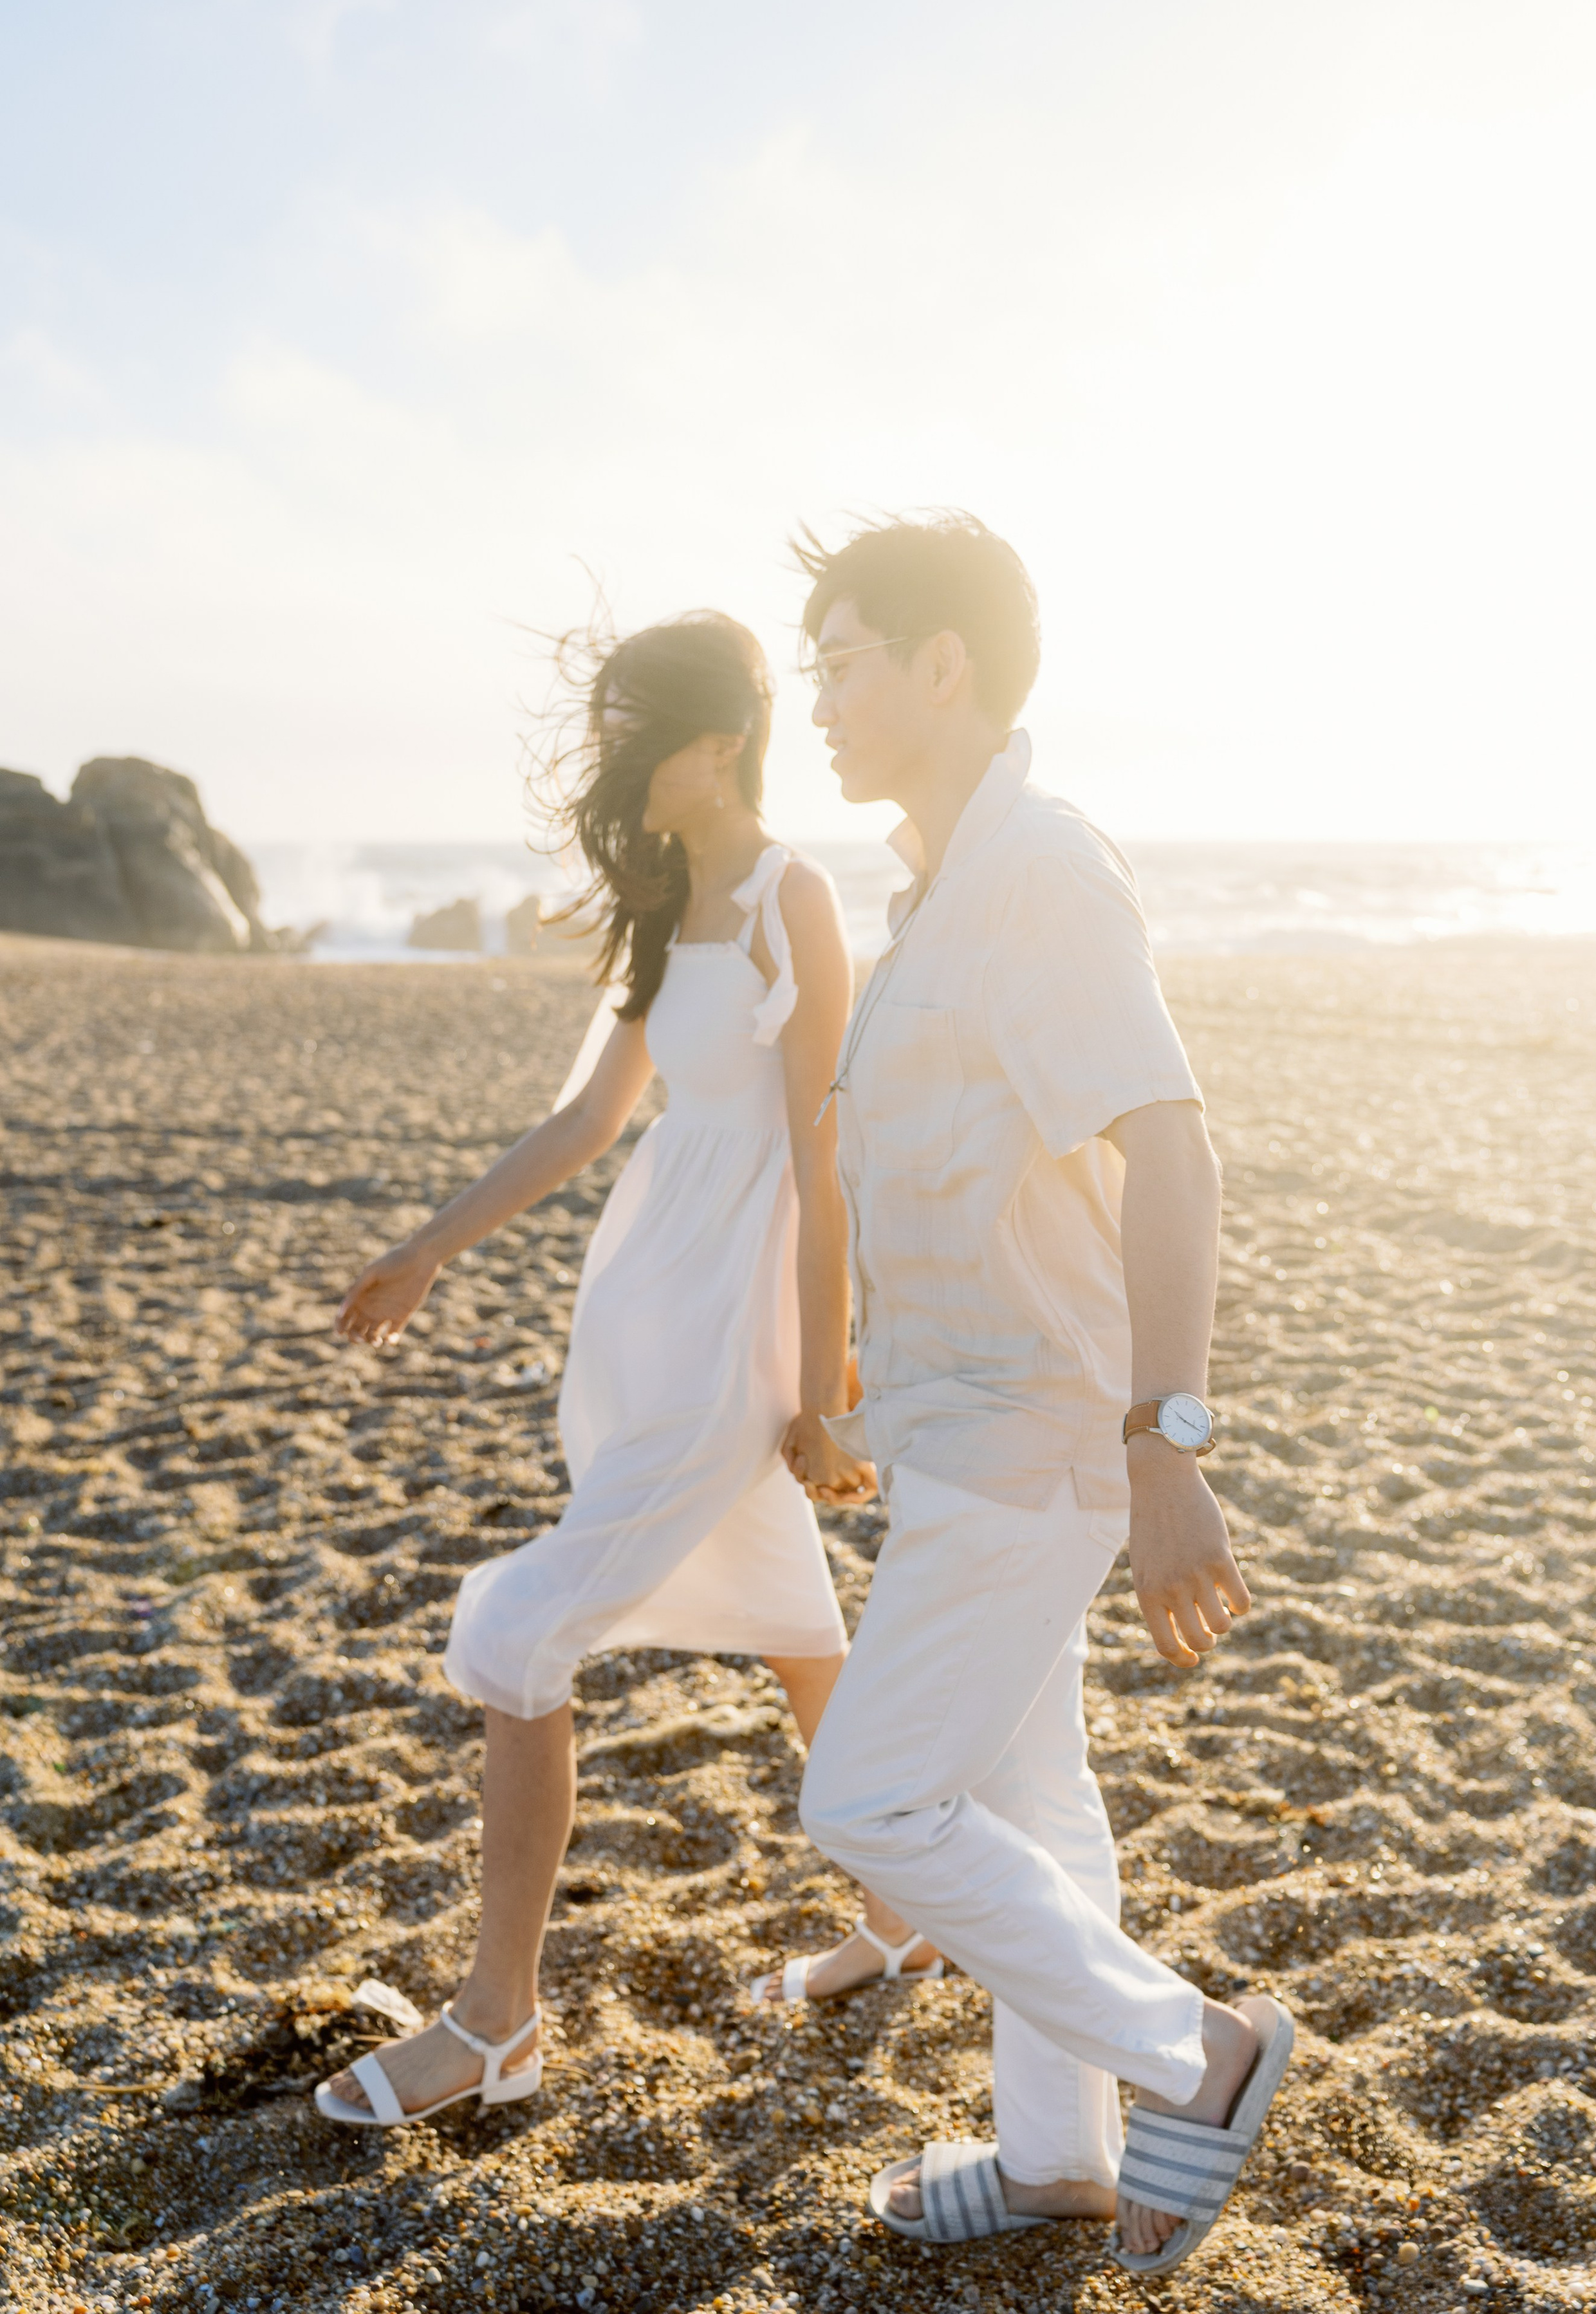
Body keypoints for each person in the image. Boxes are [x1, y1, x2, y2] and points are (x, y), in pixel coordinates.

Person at [313, 610, 938, 2130]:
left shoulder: (799, 900)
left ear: (714, 744)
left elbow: (821, 1155)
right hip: (643, 1311)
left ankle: (494, 2023)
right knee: (799, 1627)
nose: (614, 771)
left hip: (733, 1331)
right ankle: (909, 1905)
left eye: (630, 737)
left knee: (520, 1631)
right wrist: (431, 1245)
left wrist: (819, 1385)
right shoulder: (669, 906)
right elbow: (587, 1122)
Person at [790, 515, 1292, 2275]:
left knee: (869, 1803)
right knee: (1026, 1804)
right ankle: (1057, 2158)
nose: (821, 698)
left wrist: (1172, 1439)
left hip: (1038, 1434)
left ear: (945, 667)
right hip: (956, 1428)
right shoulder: (933, 894)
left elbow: (1173, 1147)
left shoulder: (1040, 874)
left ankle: (1200, 2057)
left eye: (844, 659)